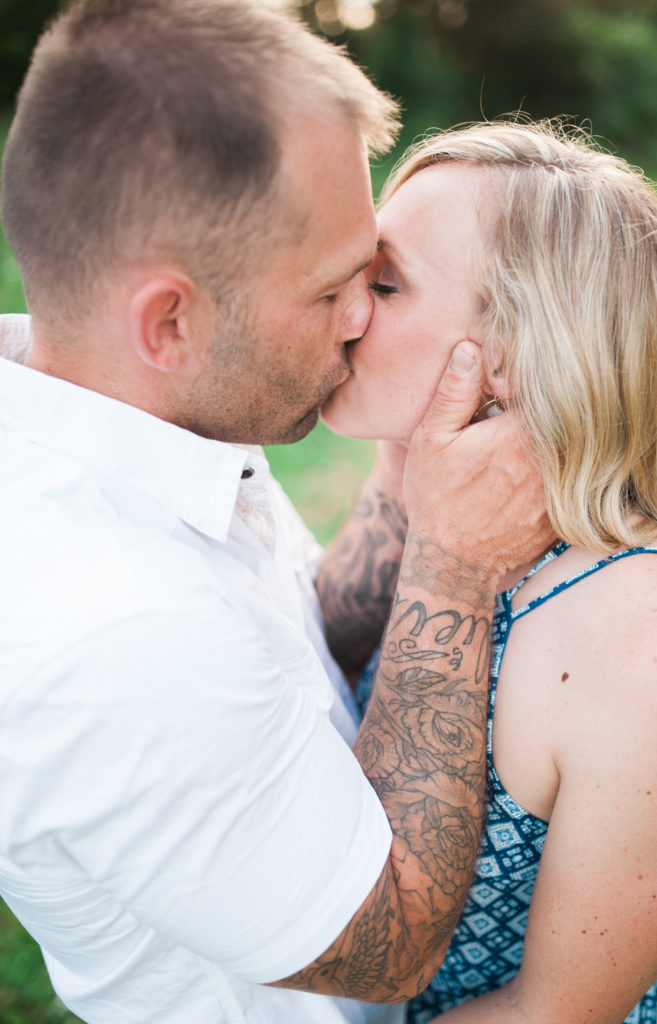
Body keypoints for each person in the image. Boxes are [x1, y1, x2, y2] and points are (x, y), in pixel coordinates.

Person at [0, 4, 550, 1024]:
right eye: (333, 290)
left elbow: (303, 641)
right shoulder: (114, 632)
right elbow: (388, 946)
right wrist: (454, 567)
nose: (361, 318)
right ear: (171, 319)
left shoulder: (133, 411)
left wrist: (409, 461)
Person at [322, 118, 657, 1024]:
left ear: (515, 353)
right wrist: (403, 477)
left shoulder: (647, 644)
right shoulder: (464, 516)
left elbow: (554, 1014)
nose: (341, 304)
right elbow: (326, 646)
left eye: (385, 282)